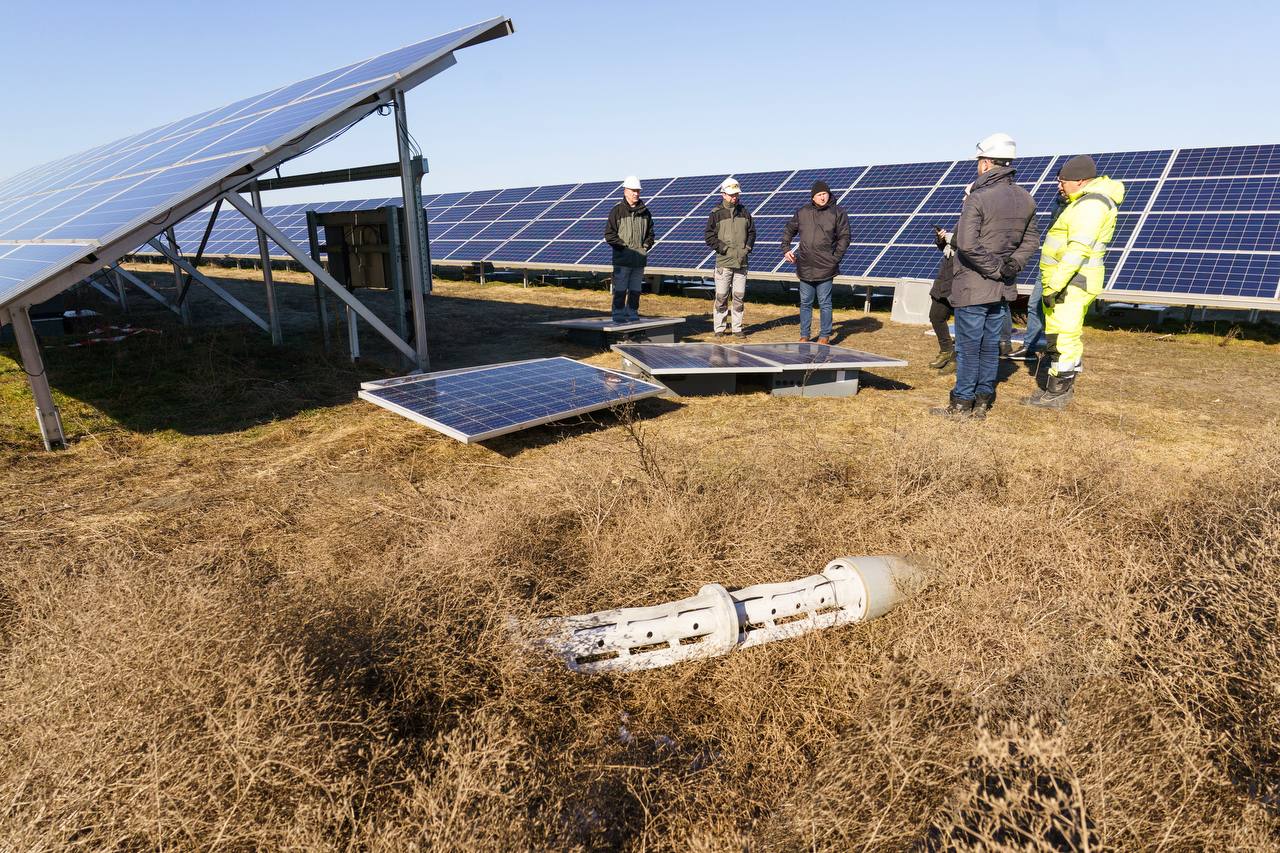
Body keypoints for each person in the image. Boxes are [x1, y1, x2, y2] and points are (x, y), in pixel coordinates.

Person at [930, 133, 1039, 419]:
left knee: (968, 348)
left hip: (974, 287)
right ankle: (983, 401)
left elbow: (966, 243)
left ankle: (962, 403)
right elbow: (1031, 242)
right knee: (990, 347)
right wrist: (1010, 267)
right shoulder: (1025, 198)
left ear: (987, 163)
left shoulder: (978, 197)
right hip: (1003, 288)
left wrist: (993, 270)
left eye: (979, 160)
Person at [1024, 155, 1125, 409]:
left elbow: (1077, 250)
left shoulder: (1090, 206)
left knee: (1063, 338)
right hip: (1069, 281)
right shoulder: (1083, 202)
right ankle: (1056, 388)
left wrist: (1055, 285)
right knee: (1063, 336)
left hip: (1070, 283)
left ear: (1080, 181)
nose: (1059, 186)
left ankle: (1058, 393)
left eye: (1062, 181)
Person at [780, 180, 850, 344]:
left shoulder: (837, 213)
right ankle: (804, 335)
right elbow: (789, 230)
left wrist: (835, 258)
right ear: (813, 196)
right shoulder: (802, 212)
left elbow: (844, 237)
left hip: (826, 266)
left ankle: (824, 336)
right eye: (819, 195)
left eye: (825, 194)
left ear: (829, 194)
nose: (822, 197)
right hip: (805, 265)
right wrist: (785, 248)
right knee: (805, 302)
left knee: (825, 303)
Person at [704, 178, 756, 338]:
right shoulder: (716, 214)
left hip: (741, 262)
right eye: (732, 195)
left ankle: (737, 328)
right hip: (724, 262)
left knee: (739, 296)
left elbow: (752, 232)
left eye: (736, 195)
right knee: (721, 297)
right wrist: (724, 249)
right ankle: (719, 328)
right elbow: (709, 236)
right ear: (724, 194)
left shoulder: (745, 212)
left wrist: (747, 248)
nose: (735, 197)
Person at [603, 176, 655, 323]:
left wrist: (644, 247)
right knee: (620, 290)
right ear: (625, 191)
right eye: (633, 191)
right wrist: (624, 248)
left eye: (638, 191)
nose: (636, 194)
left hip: (639, 260)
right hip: (622, 260)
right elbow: (609, 235)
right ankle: (618, 315)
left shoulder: (645, 212)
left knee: (635, 290)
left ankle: (632, 313)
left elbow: (650, 234)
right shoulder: (617, 211)